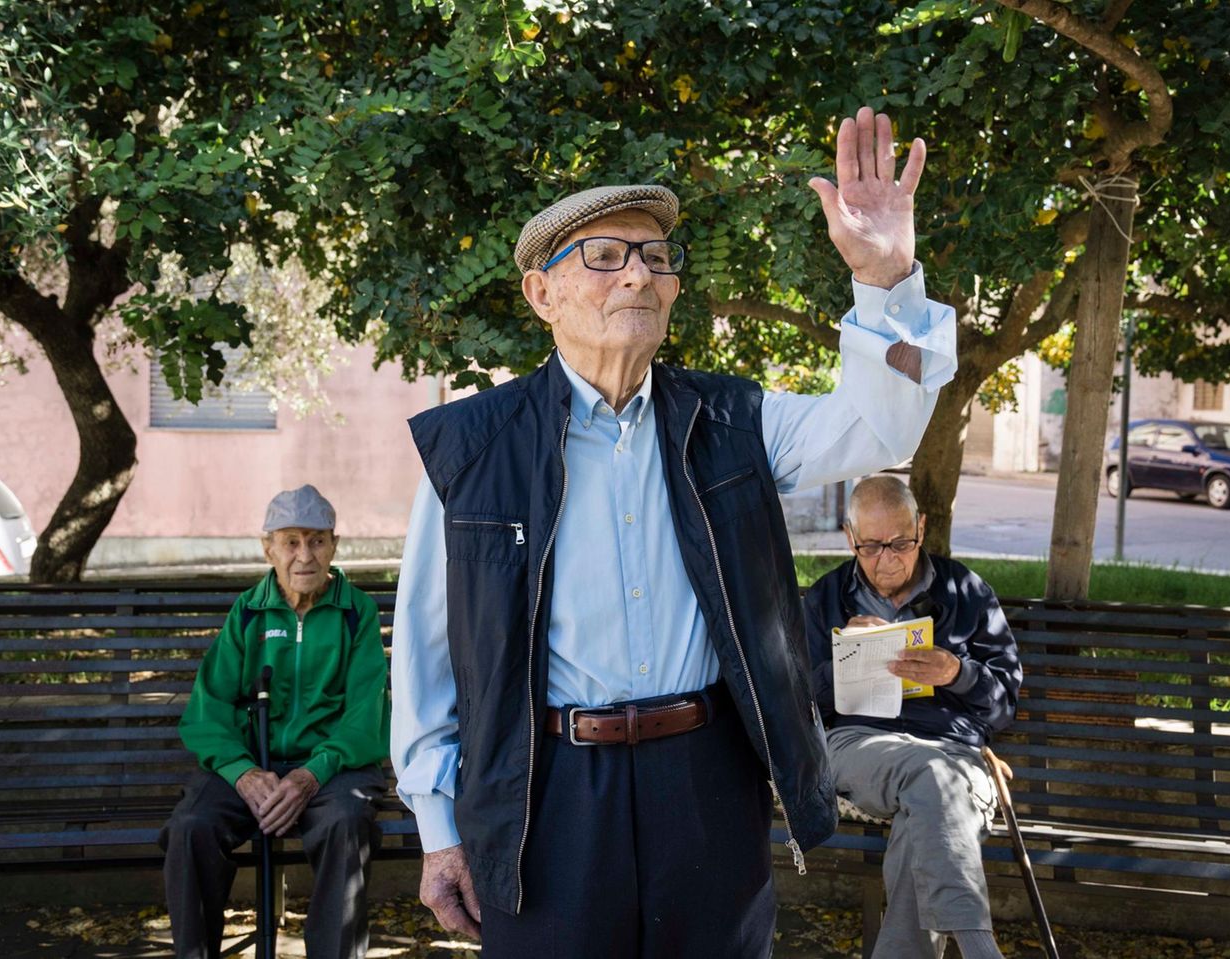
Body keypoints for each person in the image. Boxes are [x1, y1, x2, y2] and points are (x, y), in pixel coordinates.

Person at [391, 106, 959, 959]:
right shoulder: (471, 447)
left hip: (705, 780)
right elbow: (429, 658)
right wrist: (438, 827)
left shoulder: (734, 421)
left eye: (656, 257)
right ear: (542, 293)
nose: (637, 274)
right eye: (605, 255)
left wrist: (885, 279)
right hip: (545, 791)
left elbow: (882, 429)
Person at [159, 485, 390, 959]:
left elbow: (366, 713)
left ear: (334, 546)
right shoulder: (248, 612)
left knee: (347, 822)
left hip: (332, 767)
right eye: (290, 542)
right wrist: (242, 772)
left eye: (317, 540)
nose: (304, 555)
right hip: (252, 764)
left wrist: (311, 775)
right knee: (192, 827)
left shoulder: (356, 613)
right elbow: (208, 709)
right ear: (268, 548)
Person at [801, 475, 1022, 959]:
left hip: (954, 750)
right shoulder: (825, 598)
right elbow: (795, 705)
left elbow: (1004, 704)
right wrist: (843, 663)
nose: (887, 559)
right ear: (850, 538)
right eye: (871, 547)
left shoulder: (966, 592)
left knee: (924, 811)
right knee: (934, 779)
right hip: (859, 745)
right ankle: (979, 946)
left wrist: (957, 673)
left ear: (921, 528)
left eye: (900, 543)